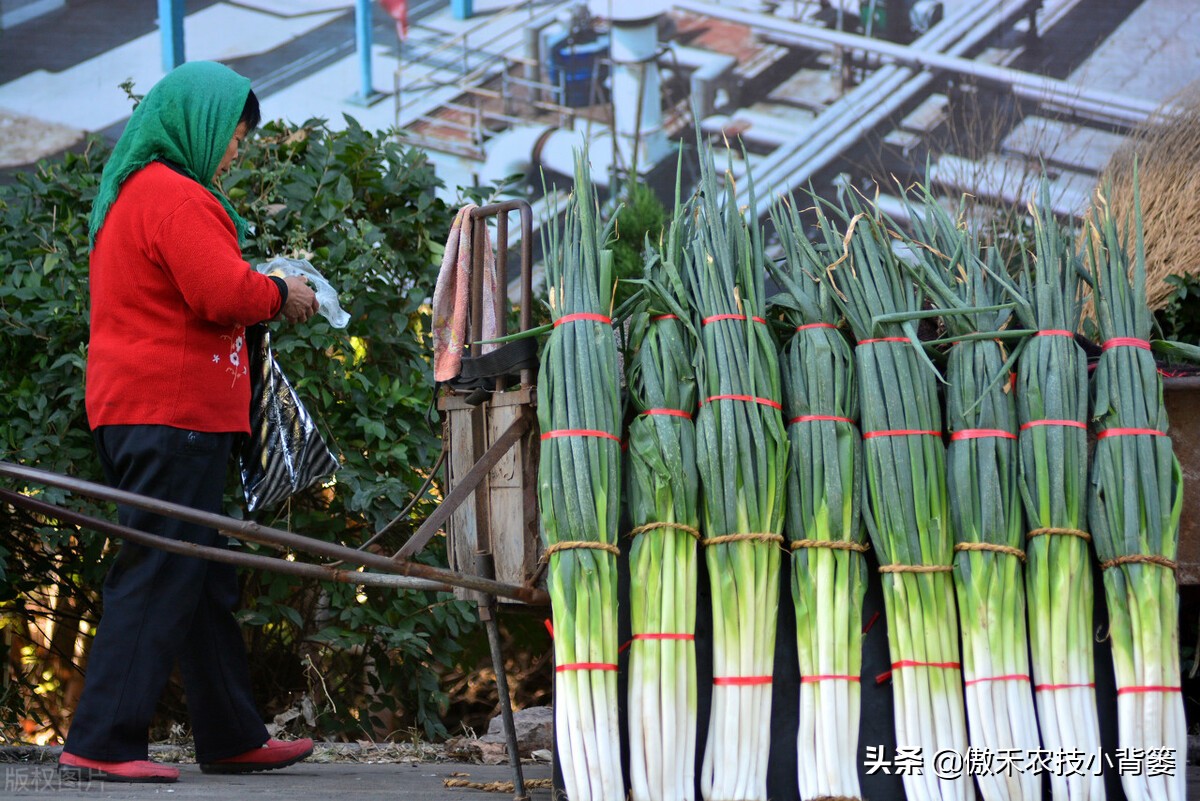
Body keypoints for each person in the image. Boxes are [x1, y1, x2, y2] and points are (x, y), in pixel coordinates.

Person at [58, 60, 319, 784]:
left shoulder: (136, 194)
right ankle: (103, 739)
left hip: (143, 410)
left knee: (198, 576)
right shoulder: (175, 197)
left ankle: (230, 732)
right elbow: (219, 290)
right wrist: (279, 292)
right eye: (233, 136)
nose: (235, 151)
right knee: (164, 564)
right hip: (171, 412)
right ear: (198, 126)